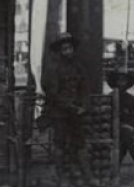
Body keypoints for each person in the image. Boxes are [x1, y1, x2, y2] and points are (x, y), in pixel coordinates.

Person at [42, 32, 95, 187]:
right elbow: (52, 93)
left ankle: (88, 177)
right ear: (59, 51)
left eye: (70, 48)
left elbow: (85, 88)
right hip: (59, 113)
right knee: (60, 144)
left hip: (75, 112)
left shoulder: (78, 67)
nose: (68, 51)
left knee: (80, 143)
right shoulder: (53, 68)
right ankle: (60, 178)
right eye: (64, 49)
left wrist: (84, 106)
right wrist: (70, 107)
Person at [106, 69, 134, 175]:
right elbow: (108, 118)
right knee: (127, 136)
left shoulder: (131, 99)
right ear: (115, 82)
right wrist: (124, 126)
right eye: (119, 80)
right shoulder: (109, 98)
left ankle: (116, 168)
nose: (121, 83)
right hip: (112, 128)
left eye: (124, 80)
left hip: (128, 130)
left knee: (126, 138)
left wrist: (133, 127)